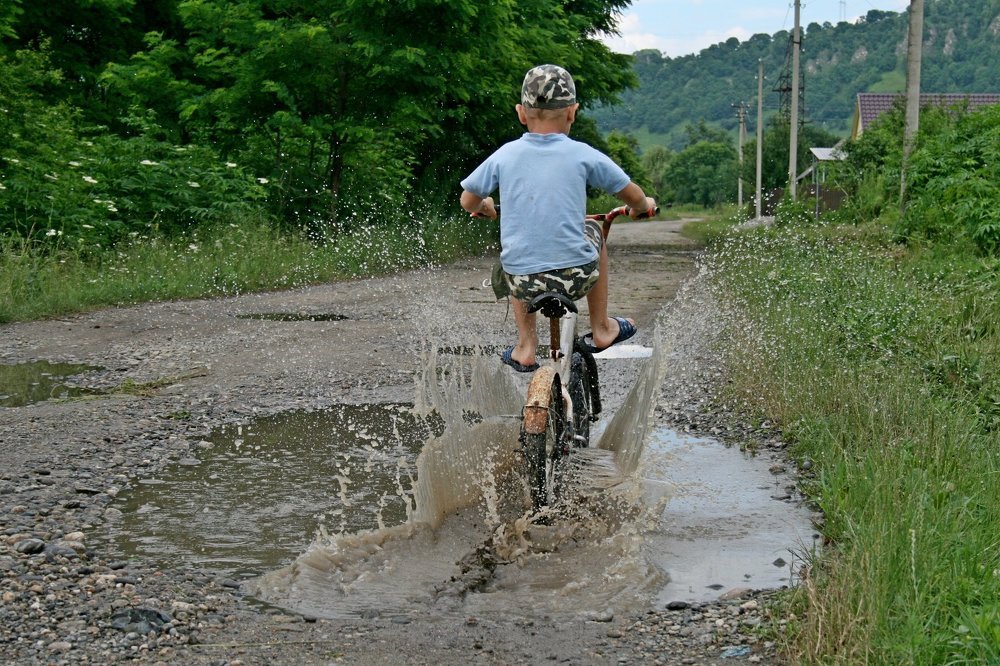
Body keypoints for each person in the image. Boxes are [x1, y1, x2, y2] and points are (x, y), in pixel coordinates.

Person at [459, 64, 656, 372]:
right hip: (576, 277)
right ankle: (602, 328)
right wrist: (643, 205)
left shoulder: (504, 155)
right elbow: (632, 195)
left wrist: (485, 206)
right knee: (592, 228)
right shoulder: (583, 154)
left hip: (522, 281)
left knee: (515, 250)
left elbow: (467, 199)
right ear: (572, 113)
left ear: (521, 114)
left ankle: (525, 346)